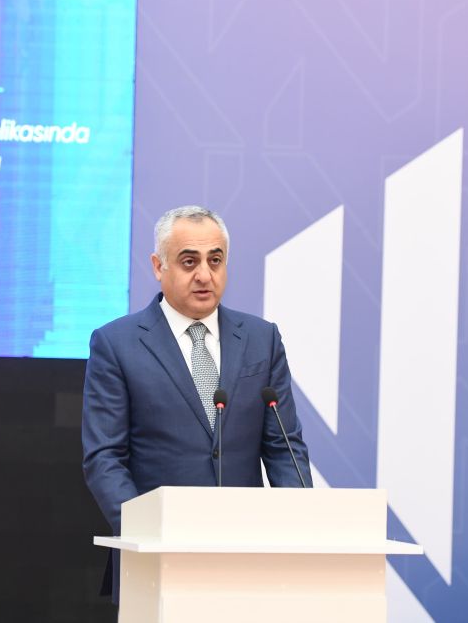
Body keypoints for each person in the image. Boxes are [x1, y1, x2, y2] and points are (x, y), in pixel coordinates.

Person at [81, 205, 312, 599]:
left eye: (215, 260)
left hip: (248, 559)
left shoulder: (262, 339)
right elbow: (104, 458)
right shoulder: (116, 344)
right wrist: (147, 532)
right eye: (189, 261)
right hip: (155, 561)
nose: (205, 275)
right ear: (158, 266)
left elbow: (284, 448)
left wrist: (300, 528)